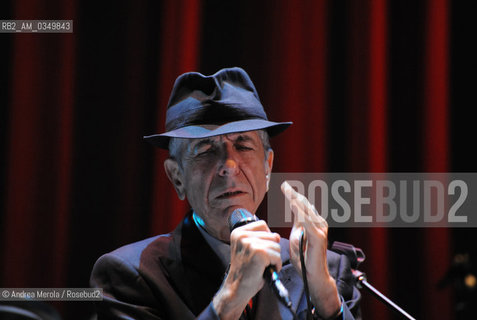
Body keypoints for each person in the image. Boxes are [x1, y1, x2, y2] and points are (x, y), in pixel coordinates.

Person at [90, 67, 361, 319]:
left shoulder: (324, 270)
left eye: (243, 145)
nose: (229, 167)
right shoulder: (129, 275)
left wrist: (325, 297)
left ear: (268, 166)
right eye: (206, 150)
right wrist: (231, 296)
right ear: (177, 177)